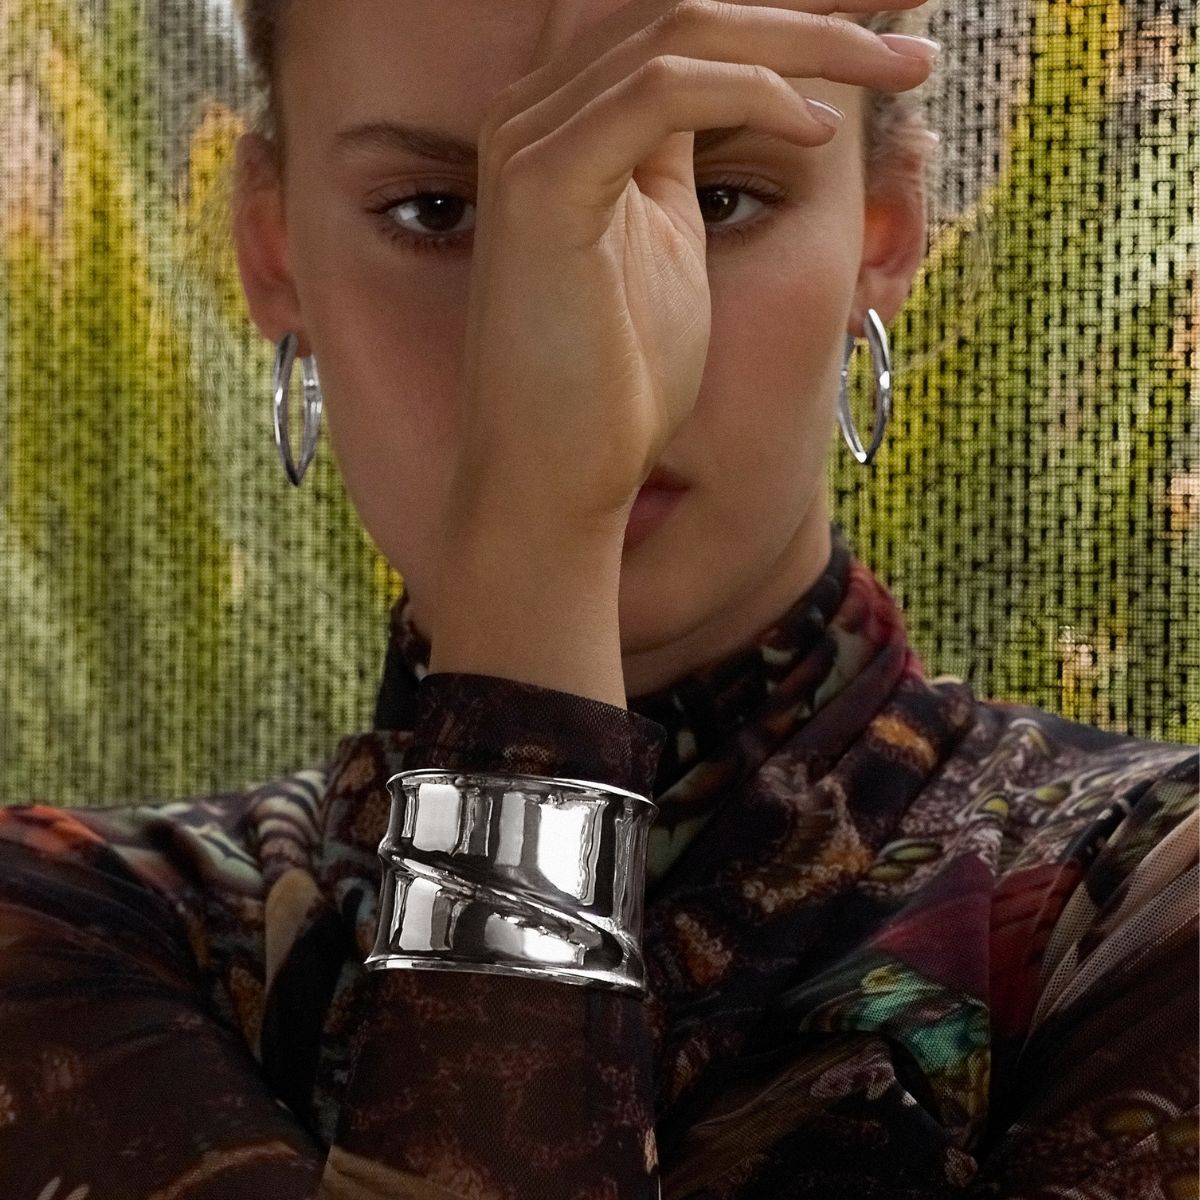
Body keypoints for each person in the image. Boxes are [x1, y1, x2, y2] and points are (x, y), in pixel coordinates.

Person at [0, 0, 1195, 1196]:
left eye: (719, 198)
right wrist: (539, 524)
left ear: (881, 233)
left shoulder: (1141, 899)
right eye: (440, 211)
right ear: (276, 253)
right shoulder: (68, 925)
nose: (583, 322)